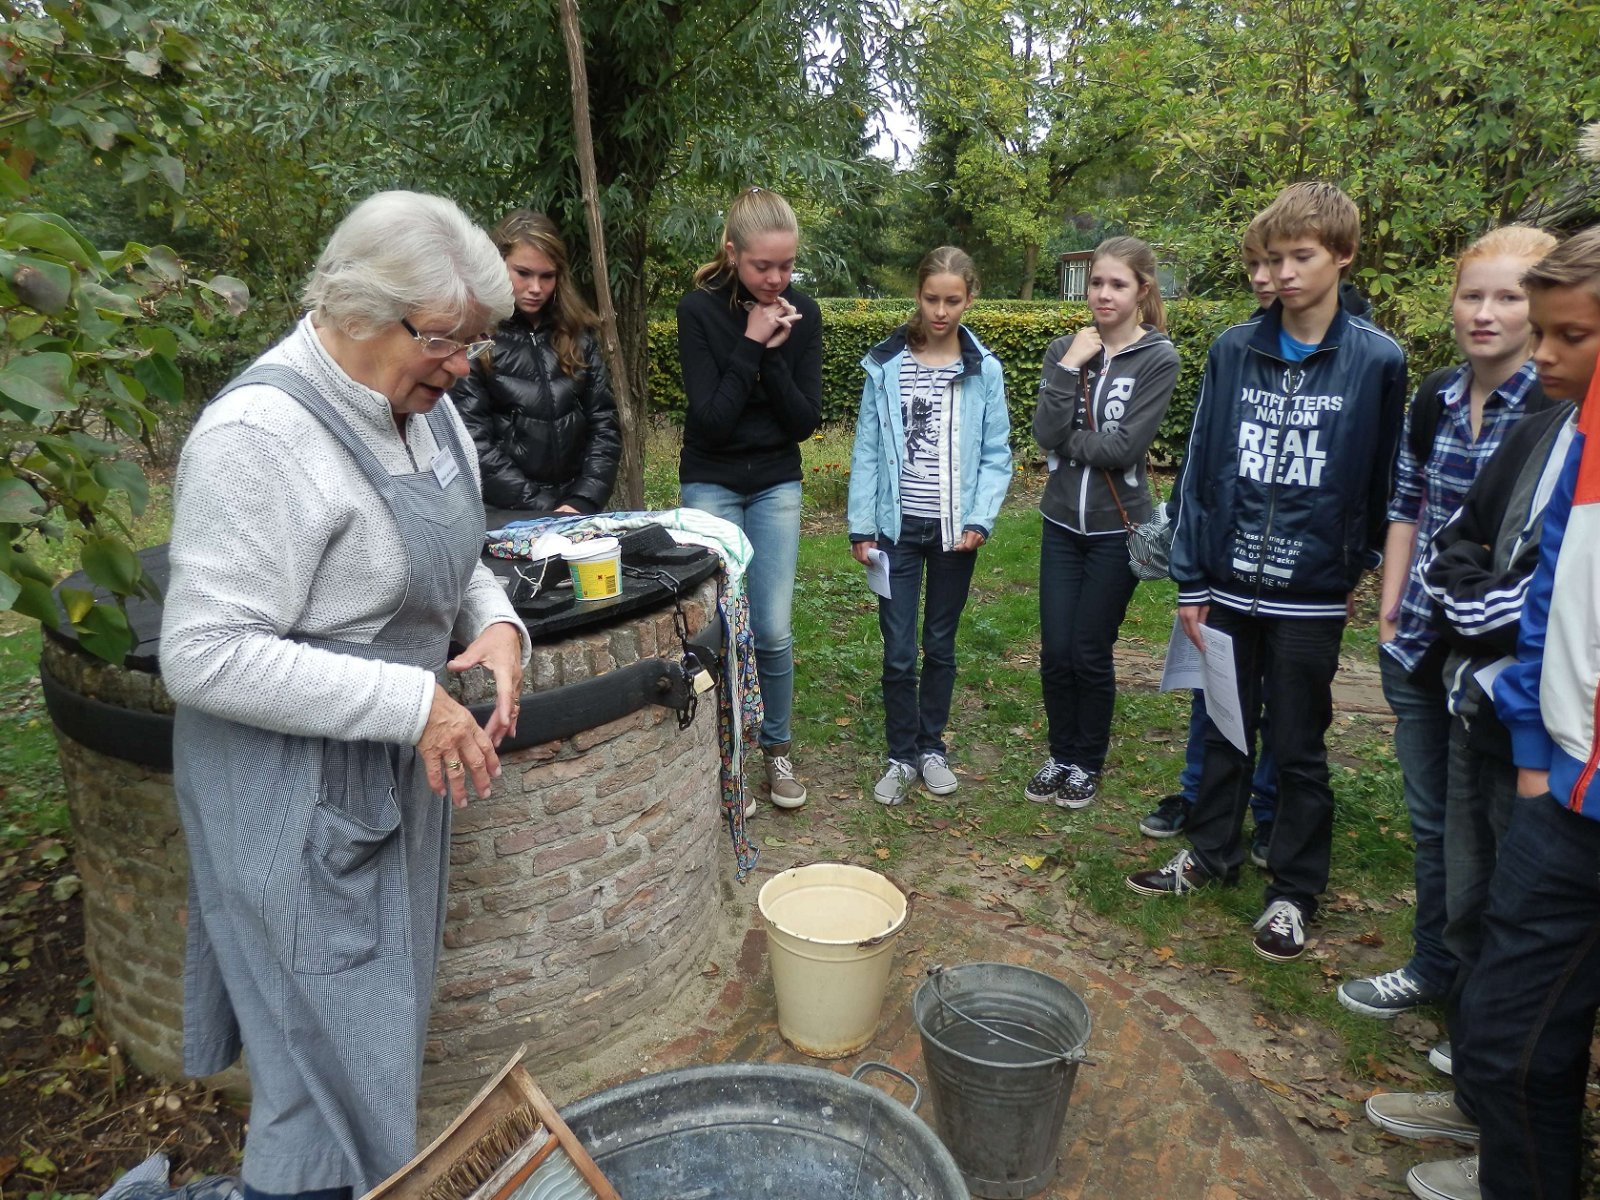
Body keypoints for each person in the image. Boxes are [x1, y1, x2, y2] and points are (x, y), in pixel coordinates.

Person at [160, 192, 532, 1198]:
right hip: (289, 799)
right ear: (363, 312)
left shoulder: (429, 406)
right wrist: (412, 706)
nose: (464, 368)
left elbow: (459, 558)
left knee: (355, 1050)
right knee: (318, 1063)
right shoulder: (256, 437)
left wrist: (494, 619)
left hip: (381, 785)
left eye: (475, 345)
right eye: (449, 342)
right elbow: (200, 653)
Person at [1367, 226, 1600, 1200]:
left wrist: (1545, 756)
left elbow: (1534, 585)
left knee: (1522, 986)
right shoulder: (1562, 427)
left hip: (1555, 761)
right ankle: (1481, 1106)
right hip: (1493, 703)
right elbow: (1503, 561)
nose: (1534, 344)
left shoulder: (1546, 414)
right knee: (1471, 895)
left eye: (1559, 329)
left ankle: (1506, 1133)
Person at [1128, 182, 1408, 965]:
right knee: (1223, 729)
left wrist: (1357, 562)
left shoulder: (1378, 360)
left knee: (1297, 744)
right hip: (1225, 585)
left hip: (1312, 597)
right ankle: (1211, 855)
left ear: (1344, 257)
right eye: (1274, 258)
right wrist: (1191, 577)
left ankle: (1291, 891)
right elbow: (1204, 467)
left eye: (1302, 257)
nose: (1283, 273)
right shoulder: (1231, 349)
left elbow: (1383, 479)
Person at [1338, 226, 1560, 1028]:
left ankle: (1489, 1003)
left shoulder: (1552, 406)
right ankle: (1435, 963)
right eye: (1473, 294)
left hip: (1497, 658)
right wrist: (1392, 607)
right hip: (1420, 643)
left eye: (1509, 297)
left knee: (1495, 835)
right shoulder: (1436, 394)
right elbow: (1406, 504)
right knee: (1433, 818)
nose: (1487, 313)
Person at [847, 246, 1012, 805]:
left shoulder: (984, 369)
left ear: (970, 298)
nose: (941, 311)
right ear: (917, 295)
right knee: (898, 649)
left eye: (953, 300)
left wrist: (979, 518)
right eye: (931, 298)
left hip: (954, 535)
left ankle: (931, 747)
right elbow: (867, 448)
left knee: (940, 644)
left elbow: (997, 454)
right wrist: (861, 526)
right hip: (896, 532)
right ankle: (900, 754)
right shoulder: (886, 366)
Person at [677, 187, 822, 810]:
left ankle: (775, 749)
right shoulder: (698, 311)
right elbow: (711, 420)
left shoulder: (803, 314)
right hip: (711, 479)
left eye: (786, 266)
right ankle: (718, 750)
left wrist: (773, 354)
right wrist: (750, 342)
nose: (776, 278)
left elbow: (802, 422)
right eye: (763, 265)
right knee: (714, 627)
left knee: (772, 628)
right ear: (733, 254)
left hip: (775, 483)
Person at [1142, 217, 1281, 855]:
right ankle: (1200, 795)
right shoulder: (1236, 347)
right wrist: (1191, 550)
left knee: (1282, 698)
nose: (1262, 278)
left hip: (1294, 573)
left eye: (1277, 262)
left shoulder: (1364, 355)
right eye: (1253, 264)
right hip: (1223, 558)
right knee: (1215, 683)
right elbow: (1204, 453)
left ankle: (1272, 809)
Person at [1026, 236, 1180, 808]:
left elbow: (1124, 447)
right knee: (1055, 650)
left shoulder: (1159, 357)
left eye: (1117, 284)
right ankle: (1059, 753)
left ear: (1142, 290)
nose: (1104, 294)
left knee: (1090, 649)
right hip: (1061, 520)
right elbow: (1046, 433)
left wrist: (1072, 441)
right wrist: (1069, 366)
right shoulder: (1065, 349)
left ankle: (1086, 760)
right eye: (1096, 283)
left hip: (1119, 529)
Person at [453, 209, 620, 518]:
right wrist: (542, 509)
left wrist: (584, 498)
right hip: (505, 514)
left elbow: (604, 425)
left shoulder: (577, 335)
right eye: (523, 273)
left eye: (547, 276)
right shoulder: (474, 336)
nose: (536, 288)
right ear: (498, 266)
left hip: (576, 509)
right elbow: (472, 438)